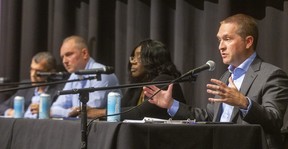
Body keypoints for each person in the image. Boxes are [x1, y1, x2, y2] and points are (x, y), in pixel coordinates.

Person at [143, 14, 288, 149]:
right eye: (219, 40)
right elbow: (210, 118)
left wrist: (244, 103)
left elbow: (274, 120)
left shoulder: (271, 75)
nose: (221, 46)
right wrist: (171, 104)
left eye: (227, 39)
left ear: (248, 41)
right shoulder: (225, 77)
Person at [86, 39, 186, 120]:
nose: (133, 62)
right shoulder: (138, 86)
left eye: (139, 57)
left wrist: (98, 113)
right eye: (132, 57)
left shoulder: (165, 81)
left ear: (154, 59)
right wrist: (91, 111)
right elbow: (122, 107)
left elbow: (140, 113)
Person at [50, 35, 121, 118]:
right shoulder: (74, 76)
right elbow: (54, 109)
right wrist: (70, 112)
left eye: (69, 54)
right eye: (62, 57)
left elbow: (90, 111)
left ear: (84, 53)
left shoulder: (101, 73)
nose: (64, 61)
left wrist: (74, 111)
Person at [0, 52, 64, 118]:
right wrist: (10, 112)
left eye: (38, 72)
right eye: (32, 69)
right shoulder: (25, 87)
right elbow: (2, 106)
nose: (32, 75)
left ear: (51, 72)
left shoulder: (59, 91)